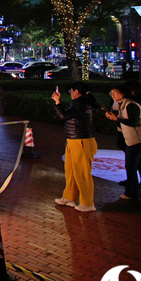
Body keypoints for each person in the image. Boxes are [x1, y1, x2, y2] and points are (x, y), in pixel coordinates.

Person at [52, 82, 102, 212]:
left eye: (71, 91)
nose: (70, 93)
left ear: (77, 91)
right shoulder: (79, 103)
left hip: (82, 141)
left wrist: (58, 103)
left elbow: (64, 116)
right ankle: (69, 197)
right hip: (73, 141)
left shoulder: (82, 104)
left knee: (82, 173)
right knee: (71, 171)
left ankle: (87, 203)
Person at [113, 80, 141, 191]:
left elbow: (133, 121)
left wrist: (117, 118)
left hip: (139, 135)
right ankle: (132, 182)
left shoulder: (135, 104)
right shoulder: (123, 103)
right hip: (126, 133)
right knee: (131, 162)